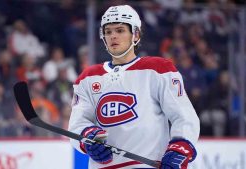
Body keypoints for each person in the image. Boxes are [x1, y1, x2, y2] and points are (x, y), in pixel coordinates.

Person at [68, 5, 200, 169]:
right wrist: (87, 138)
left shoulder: (157, 69)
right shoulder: (88, 78)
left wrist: (180, 149)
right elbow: (77, 124)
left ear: (135, 34)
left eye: (120, 30)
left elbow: (183, 115)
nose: (113, 36)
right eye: (108, 32)